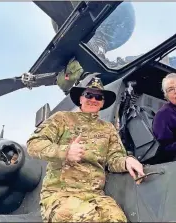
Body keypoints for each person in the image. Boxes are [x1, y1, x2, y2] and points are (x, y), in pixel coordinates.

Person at [27, 75, 145, 223]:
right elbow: (33, 144)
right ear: (80, 99)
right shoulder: (62, 118)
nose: (93, 100)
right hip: (61, 194)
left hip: (95, 196)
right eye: (89, 95)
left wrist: (127, 160)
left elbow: (113, 159)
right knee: (89, 219)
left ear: (102, 103)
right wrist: (65, 152)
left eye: (98, 97)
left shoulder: (107, 128)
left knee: (117, 219)